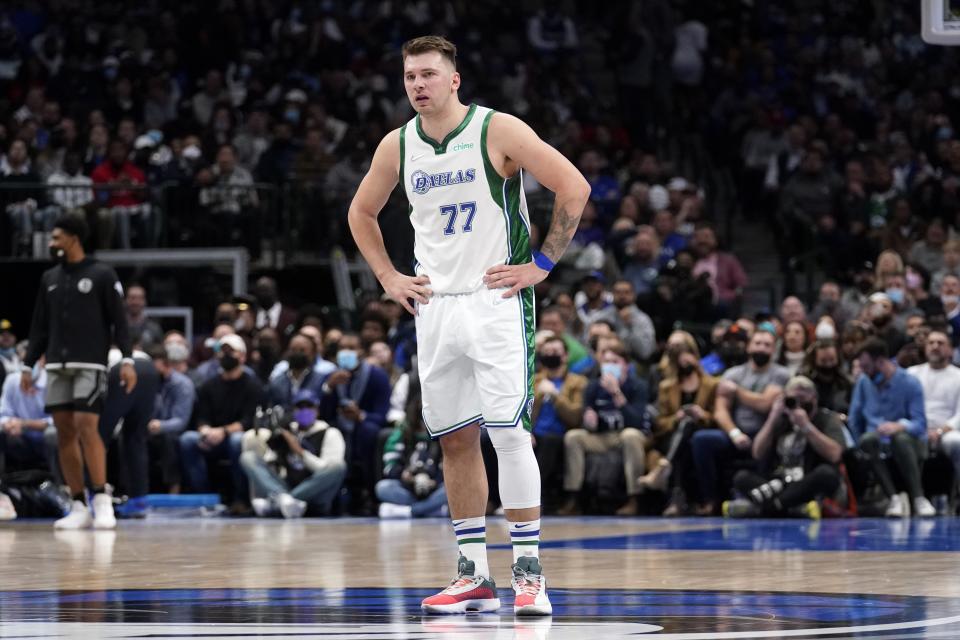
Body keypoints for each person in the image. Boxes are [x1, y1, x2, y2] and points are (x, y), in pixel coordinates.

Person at [347, 35, 589, 615]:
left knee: (508, 434)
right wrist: (387, 277)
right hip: (435, 306)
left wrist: (541, 266)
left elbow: (573, 186)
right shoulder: (397, 145)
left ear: (454, 79)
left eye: (428, 74)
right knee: (455, 439)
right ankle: (473, 574)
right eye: (409, 77)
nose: (418, 85)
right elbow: (360, 212)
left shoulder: (496, 129)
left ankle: (529, 574)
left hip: (494, 299)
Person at [22, 214, 137, 529]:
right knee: (64, 432)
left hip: (91, 363)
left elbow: (120, 321)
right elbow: (39, 327)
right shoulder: (50, 278)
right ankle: (77, 504)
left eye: (57, 237)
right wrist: (28, 364)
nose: (52, 243)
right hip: (57, 364)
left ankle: (101, 498)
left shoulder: (102, 274)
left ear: (73, 238)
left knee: (88, 425)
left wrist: (127, 360)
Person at [690, 328, 789, 515]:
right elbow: (720, 411)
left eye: (767, 345)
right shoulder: (733, 374)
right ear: (749, 346)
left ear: (774, 350)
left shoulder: (780, 374)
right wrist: (734, 433)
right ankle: (711, 500)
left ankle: (760, 500)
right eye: (757, 343)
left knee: (769, 443)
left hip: (766, 432)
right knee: (702, 440)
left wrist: (736, 391)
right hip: (737, 433)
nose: (761, 348)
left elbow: (765, 404)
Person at [723, 376, 846, 518]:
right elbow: (757, 452)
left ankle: (767, 508)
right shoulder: (781, 419)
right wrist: (773, 417)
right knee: (741, 477)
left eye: (803, 399)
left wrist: (806, 426)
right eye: (794, 400)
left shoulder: (826, 418)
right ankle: (791, 507)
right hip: (778, 482)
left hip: (806, 481)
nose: (799, 405)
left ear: (814, 399)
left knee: (826, 474)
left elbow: (835, 454)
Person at [559, 341, 649, 516]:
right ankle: (573, 497)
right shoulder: (593, 386)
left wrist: (616, 393)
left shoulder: (638, 386)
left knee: (630, 435)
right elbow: (588, 422)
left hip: (627, 436)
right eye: (606, 362)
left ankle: (634, 498)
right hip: (602, 437)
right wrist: (589, 421)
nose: (609, 366)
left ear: (626, 365)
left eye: (615, 361)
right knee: (574, 437)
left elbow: (636, 422)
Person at [848, 338, 934, 518]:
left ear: (880, 361)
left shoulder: (910, 382)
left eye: (866, 366)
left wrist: (900, 425)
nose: (863, 371)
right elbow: (854, 419)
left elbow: (920, 424)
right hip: (877, 442)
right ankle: (893, 498)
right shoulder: (864, 383)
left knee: (900, 439)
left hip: (910, 443)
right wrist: (858, 445)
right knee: (867, 440)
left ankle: (919, 498)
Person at [179, 334, 263, 513]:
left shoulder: (253, 386)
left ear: (242, 356)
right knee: (188, 440)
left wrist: (223, 432)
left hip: (237, 436)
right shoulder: (209, 385)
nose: (225, 355)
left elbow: (249, 420)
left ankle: (240, 498)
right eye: (221, 351)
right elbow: (201, 416)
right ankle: (204, 497)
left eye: (230, 351)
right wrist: (205, 430)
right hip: (213, 435)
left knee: (237, 441)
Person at [240, 389, 347, 518]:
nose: (304, 411)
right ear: (293, 411)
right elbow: (271, 463)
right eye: (300, 407)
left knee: (339, 466)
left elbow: (325, 470)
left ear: (317, 410)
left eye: (309, 407)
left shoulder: (330, 433)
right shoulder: (287, 431)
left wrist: (300, 452)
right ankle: (283, 498)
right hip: (287, 485)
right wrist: (276, 445)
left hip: (315, 495)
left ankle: (283, 500)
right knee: (248, 457)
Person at [644, 341, 718, 516]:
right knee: (684, 429)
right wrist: (675, 418)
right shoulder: (667, 387)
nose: (684, 365)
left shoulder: (711, 384)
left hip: (700, 434)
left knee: (689, 427)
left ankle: (669, 482)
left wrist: (702, 415)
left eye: (688, 360)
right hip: (670, 436)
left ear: (696, 357)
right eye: (680, 362)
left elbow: (717, 416)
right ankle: (670, 474)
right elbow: (659, 422)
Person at [376, 380, 448, 519]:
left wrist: (435, 481)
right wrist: (404, 476)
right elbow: (390, 466)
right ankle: (432, 510)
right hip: (407, 487)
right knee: (383, 487)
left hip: (434, 486)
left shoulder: (444, 433)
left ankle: (409, 511)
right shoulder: (401, 433)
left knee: (452, 489)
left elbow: (451, 465)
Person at [530, 335, 587, 510]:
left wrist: (555, 395)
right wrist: (526, 432)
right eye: (547, 352)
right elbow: (524, 412)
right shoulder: (533, 380)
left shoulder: (578, 382)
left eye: (555, 351)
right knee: (490, 440)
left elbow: (575, 417)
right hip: (535, 433)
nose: (550, 355)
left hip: (560, 433)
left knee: (549, 441)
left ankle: (532, 497)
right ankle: (494, 499)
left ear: (565, 356)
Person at [907, 331, 960, 507]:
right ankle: (910, 497)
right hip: (916, 428)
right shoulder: (911, 374)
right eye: (931, 343)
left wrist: (940, 431)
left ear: (951, 350)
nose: (935, 346)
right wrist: (919, 428)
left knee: (957, 443)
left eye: (940, 343)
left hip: (947, 431)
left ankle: (957, 498)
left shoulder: (958, 376)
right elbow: (904, 407)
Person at [148, 344, 196, 493]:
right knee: (130, 436)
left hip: (178, 430)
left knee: (167, 438)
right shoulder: (151, 382)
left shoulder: (183, 384)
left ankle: (174, 487)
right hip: (152, 428)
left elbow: (181, 421)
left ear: (166, 364)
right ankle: (134, 488)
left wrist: (160, 426)